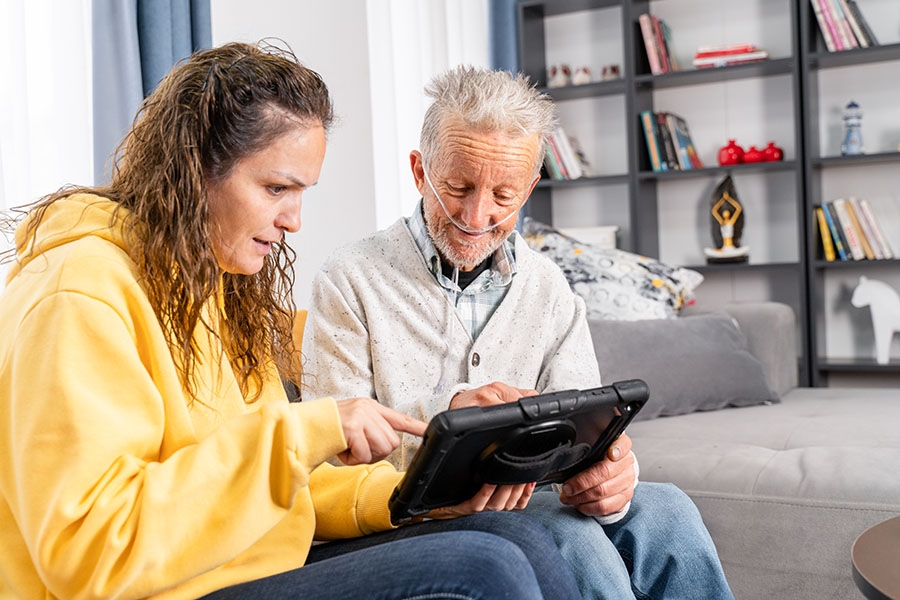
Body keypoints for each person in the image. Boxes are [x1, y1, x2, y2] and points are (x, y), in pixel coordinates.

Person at [0, 42, 583, 600]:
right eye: (276, 187)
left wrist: (419, 499)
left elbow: (281, 488)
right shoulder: (77, 295)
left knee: (516, 536)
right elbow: (91, 551)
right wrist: (306, 431)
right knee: (485, 567)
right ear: (191, 172)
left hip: (240, 568)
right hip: (166, 591)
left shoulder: (212, 288)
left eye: (302, 192)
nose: (295, 221)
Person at [304, 65, 735, 600]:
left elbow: (587, 429)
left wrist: (611, 476)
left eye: (503, 195)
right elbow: (326, 456)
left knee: (668, 510)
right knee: (572, 540)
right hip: (417, 518)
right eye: (457, 187)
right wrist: (448, 415)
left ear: (530, 187)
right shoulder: (350, 278)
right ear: (420, 171)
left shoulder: (548, 286)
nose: (476, 215)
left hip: (532, 498)